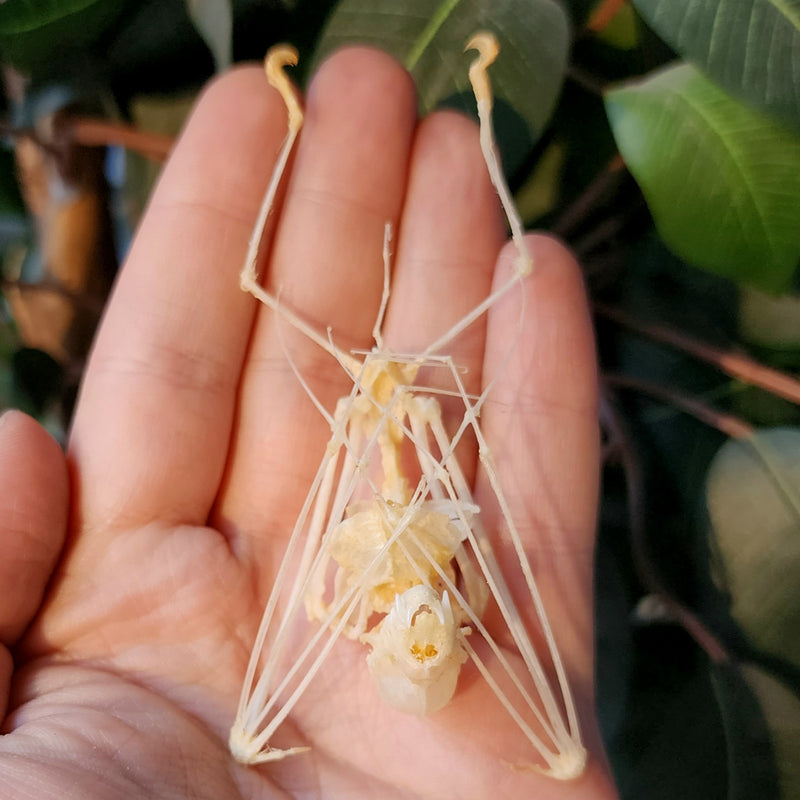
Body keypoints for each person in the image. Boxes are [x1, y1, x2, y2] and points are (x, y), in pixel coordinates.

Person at [0, 46, 617, 798]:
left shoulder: (390, 492)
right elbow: (345, 593)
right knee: (516, 277)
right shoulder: (411, 485)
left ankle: (451, 112)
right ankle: (446, 112)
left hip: (408, 612)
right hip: (409, 614)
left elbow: (344, 593)